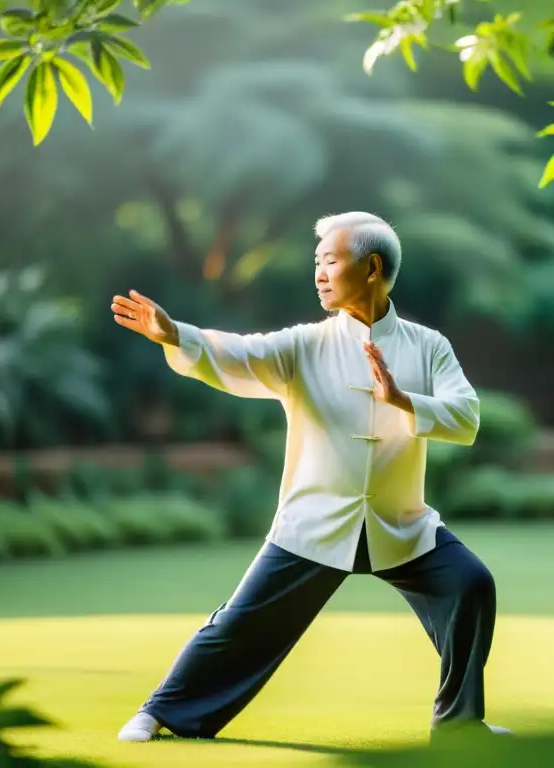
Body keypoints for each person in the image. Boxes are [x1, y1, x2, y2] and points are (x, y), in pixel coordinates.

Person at [110, 211, 508, 744]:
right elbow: (239, 352)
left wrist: (401, 399)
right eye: (316, 263)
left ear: (371, 267)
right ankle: (158, 712)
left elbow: (467, 417)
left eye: (329, 261)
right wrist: (175, 334)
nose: (318, 273)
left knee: (470, 584)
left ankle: (460, 725)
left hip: (401, 524)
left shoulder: (428, 346)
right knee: (240, 623)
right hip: (314, 524)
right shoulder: (304, 345)